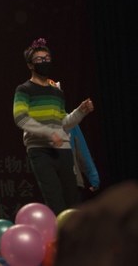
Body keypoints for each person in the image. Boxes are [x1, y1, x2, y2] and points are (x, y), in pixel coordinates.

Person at [13, 38, 95, 214]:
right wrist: (48, 133)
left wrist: (80, 111)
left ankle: (73, 231)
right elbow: (20, 118)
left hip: (63, 148)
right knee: (55, 200)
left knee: (72, 199)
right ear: (30, 65)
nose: (44, 62)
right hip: (40, 149)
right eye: (39, 59)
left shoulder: (56, 91)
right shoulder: (24, 89)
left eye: (47, 58)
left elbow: (63, 123)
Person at [69, 125, 99, 197]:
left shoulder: (70, 123)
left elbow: (82, 151)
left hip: (72, 180)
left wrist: (93, 178)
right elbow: (82, 151)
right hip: (53, 181)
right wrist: (94, 178)